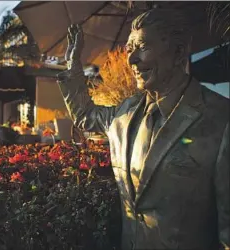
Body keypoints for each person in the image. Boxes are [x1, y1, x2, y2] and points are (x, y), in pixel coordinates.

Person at [58, 9, 229, 249]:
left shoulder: (221, 119)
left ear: (179, 52)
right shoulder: (124, 113)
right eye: (129, 49)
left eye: (143, 46)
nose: (131, 60)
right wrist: (73, 66)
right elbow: (86, 116)